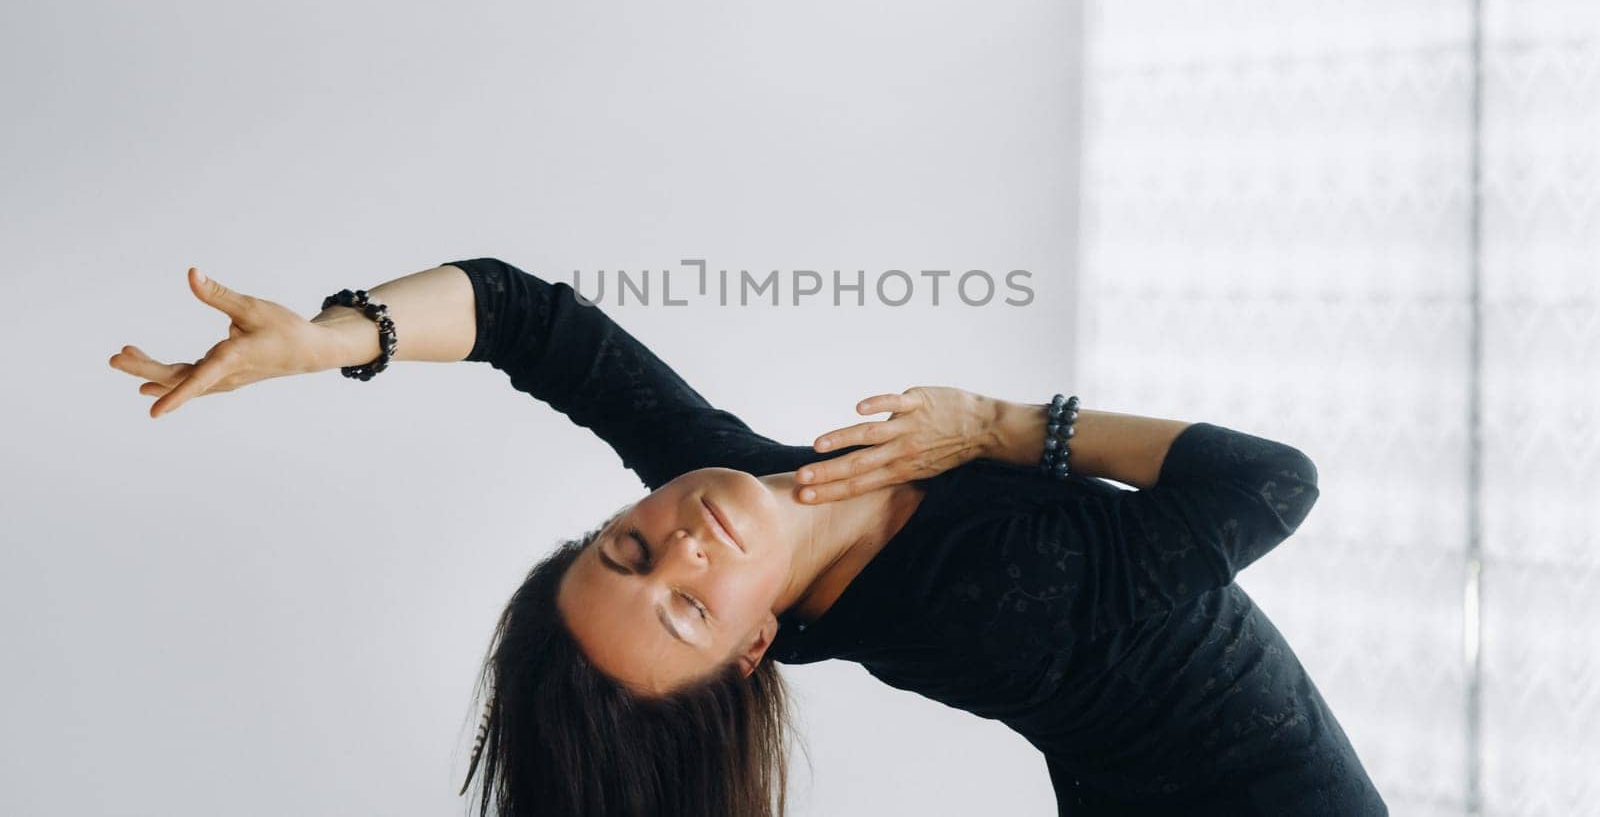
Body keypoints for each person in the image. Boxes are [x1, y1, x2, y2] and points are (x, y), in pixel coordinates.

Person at [109, 257, 1389, 816]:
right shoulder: (986, 599)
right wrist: (998, 423)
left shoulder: (735, 496)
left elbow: (522, 316)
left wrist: (340, 338)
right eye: (687, 606)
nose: (686, 544)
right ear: (753, 644)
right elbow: (1269, 484)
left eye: (627, 550)